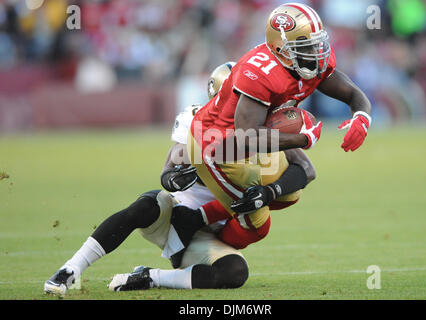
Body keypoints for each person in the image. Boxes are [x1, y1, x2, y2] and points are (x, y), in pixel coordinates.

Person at [44, 62, 316, 295]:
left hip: (215, 228)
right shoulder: (196, 119)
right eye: (238, 99)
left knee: (234, 272)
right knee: (147, 205)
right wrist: (176, 176)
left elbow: (306, 169)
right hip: (177, 216)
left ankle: (151, 277)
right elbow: (168, 171)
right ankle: (70, 268)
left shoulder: (262, 125)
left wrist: (270, 192)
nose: (244, 106)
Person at [169, 2, 372, 265]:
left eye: (317, 43)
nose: (317, 52)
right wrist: (303, 137)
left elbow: (353, 94)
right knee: (257, 224)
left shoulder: (308, 61)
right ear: (281, 49)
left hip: (257, 136)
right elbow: (246, 136)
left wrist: (362, 116)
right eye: (306, 46)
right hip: (219, 146)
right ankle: (198, 250)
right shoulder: (260, 73)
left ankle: (196, 223)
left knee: (290, 189)